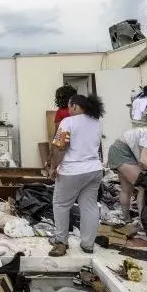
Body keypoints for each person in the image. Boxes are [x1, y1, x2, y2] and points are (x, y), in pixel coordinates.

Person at [46, 94, 105, 256]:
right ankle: (88, 244)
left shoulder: (67, 122)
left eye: (69, 107)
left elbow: (59, 147)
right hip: (94, 169)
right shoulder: (97, 122)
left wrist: (53, 167)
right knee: (90, 206)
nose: (68, 110)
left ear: (75, 106)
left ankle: (61, 242)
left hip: (72, 171)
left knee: (61, 205)